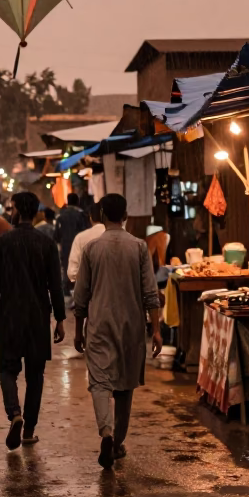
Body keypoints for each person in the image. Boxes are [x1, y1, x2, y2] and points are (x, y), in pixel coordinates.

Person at [74, 192, 162, 470]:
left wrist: (78, 330)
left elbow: (81, 296)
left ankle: (106, 432)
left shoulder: (91, 248)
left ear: (101, 216)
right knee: (124, 386)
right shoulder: (138, 247)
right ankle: (117, 443)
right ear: (125, 216)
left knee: (99, 383)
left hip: (98, 325)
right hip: (131, 326)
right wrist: (156, 329)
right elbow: (151, 293)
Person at [0, 190, 65, 450]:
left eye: (12, 207)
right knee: (35, 376)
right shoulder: (47, 243)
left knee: (8, 369)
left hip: (9, 314)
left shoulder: (4, 242)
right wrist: (60, 319)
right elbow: (56, 285)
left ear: (17, 209)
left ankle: (15, 413)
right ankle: (29, 430)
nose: (11, 211)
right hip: (38, 317)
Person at [54, 193, 89, 305]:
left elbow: (56, 235)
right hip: (79, 246)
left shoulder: (61, 216)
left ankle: (68, 292)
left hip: (65, 247)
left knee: (67, 268)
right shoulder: (82, 215)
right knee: (80, 268)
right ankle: (79, 294)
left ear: (68, 201)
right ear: (78, 201)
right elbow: (86, 230)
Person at [66, 199, 105, 285]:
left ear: (91, 218)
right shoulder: (121, 237)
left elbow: (72, 272)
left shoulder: (81, 237)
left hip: (89, 291)